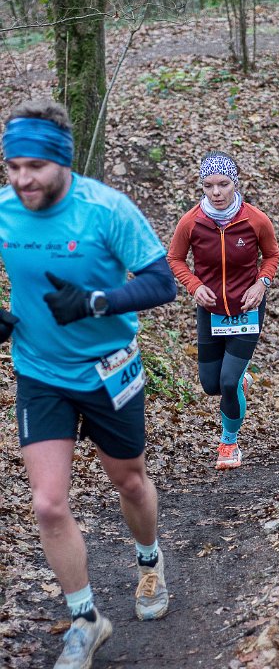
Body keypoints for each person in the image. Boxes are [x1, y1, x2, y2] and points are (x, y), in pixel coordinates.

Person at [0, 99, 177, 669]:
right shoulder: (5, 210)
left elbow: (162, 282)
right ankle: (85, 618)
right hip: (40, 372)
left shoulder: (106, 210)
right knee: (49, 505)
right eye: (12, 166)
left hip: (108, 371)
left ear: (63, 162)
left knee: (129, 482)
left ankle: (149, 561)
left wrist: (97, 302)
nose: (22, 179)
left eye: (34, 167)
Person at [167, 151, 279, 470]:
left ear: (235, 183)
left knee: (228, 382)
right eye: (208, 186)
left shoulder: (255, 220)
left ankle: (229, 444)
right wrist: (193, 285)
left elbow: (272, 255)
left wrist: (262, 283)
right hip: (211, 310)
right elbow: (175, 258)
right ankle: (240, 382)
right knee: (211, 384)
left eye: (223, 184)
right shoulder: (191, 222)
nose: (216, 192)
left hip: (247, 308)